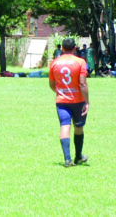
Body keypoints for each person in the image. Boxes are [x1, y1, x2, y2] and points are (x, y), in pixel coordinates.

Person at [48, 38, 89, 167]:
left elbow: (52, 83)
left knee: (65, 126)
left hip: (62, 101)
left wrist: (60, 92)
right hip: (78, 101)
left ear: (63, 48)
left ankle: (67, 159)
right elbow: (82, 83)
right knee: (78, 127)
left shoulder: (55, 63)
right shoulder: (80, 62)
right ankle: (78, 156)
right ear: (75, 48)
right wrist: (87, 101)